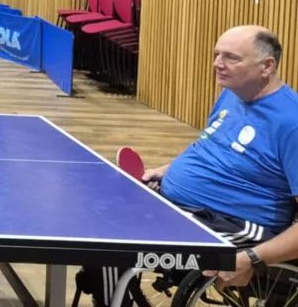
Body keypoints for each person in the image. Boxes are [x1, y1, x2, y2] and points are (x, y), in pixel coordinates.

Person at [82, 26, 298, 306]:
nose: (217, 63)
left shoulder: (291, 122)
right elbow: (211, 149)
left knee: (113, 241)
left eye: (231, 57)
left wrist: (253, 258)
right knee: (97, 212)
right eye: (217, 54)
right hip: (190, 206)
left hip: (234, 221)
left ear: (267, 66)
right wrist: (166, 169)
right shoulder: (232, 93)